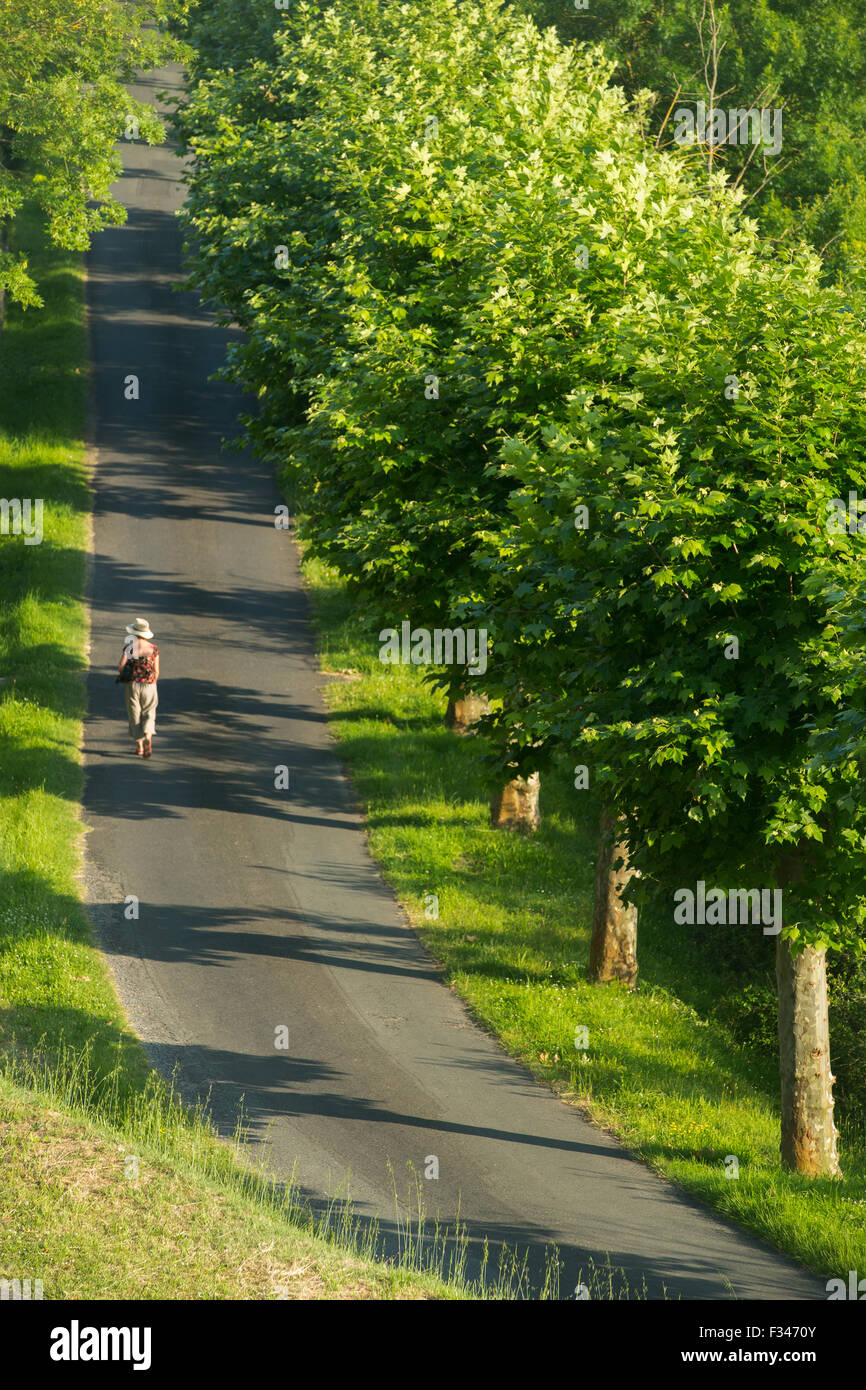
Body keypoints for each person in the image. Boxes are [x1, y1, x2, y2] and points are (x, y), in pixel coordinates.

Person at [117, 618, 160, 757]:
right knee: (149, 712)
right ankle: (148, 736)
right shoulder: (153, 649)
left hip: (133, 684)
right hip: (149, 685)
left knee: (134, 714)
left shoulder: (131, 647)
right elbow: (156, 670)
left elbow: (120, 667)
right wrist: (153, 682)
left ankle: (140, 747)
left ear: (134, 633)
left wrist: (126, 673)